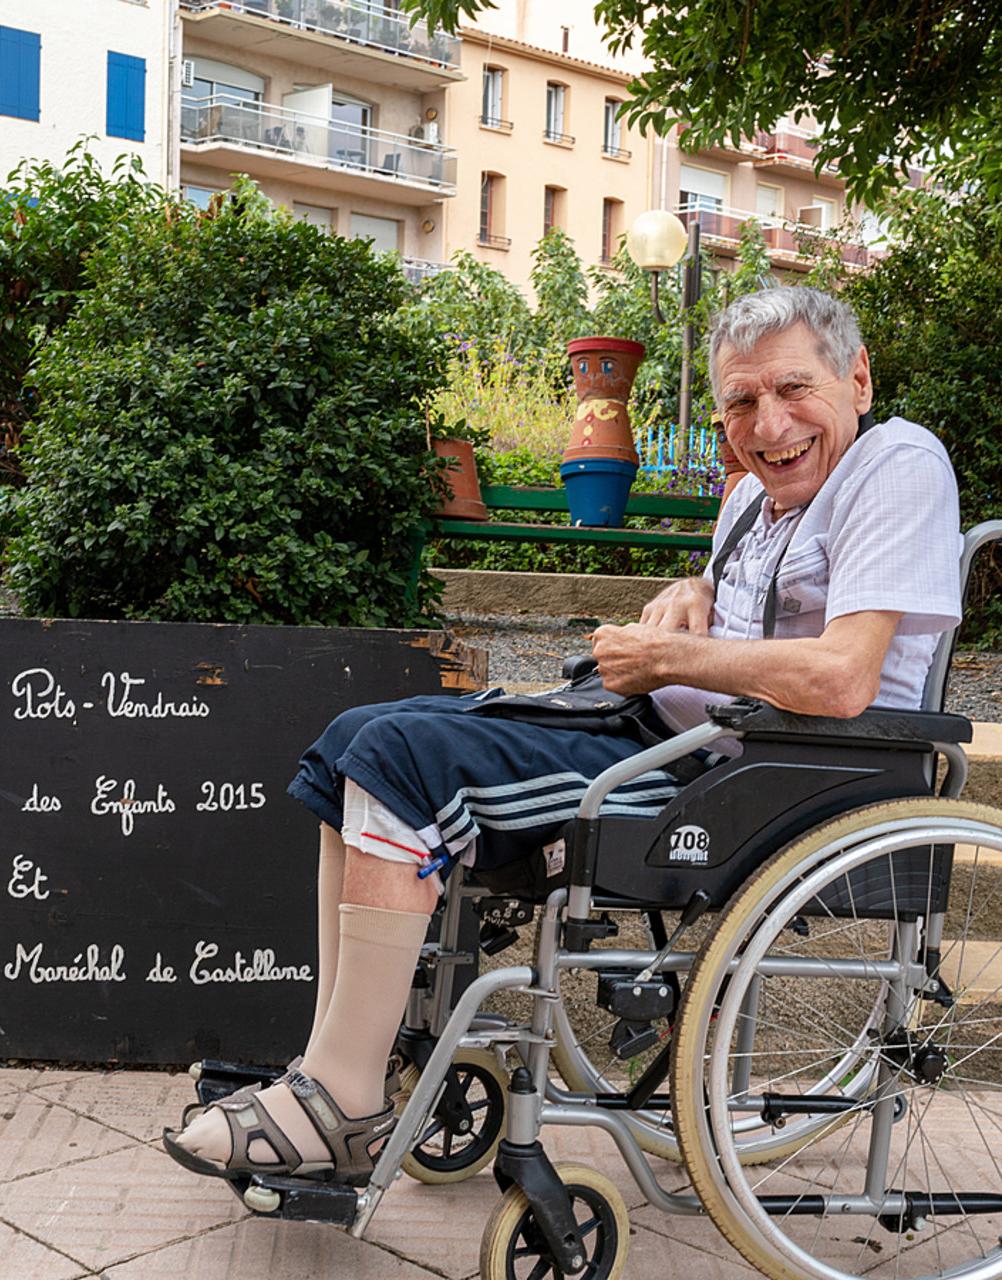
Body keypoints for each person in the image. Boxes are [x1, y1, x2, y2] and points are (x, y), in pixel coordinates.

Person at [163, 286, 962, 1187]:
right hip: (658, 730)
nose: (767, 423)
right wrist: (694, 597)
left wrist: (674, 653)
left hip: (760, 777)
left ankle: (342, 1102)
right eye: (740, 401)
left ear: (857, 378)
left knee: (401, 765)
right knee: (350, 741)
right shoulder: (758, 491)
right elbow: (728, 595)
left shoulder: (898, 464)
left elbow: (843, 678)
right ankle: (335, 1063)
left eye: (791, 388)